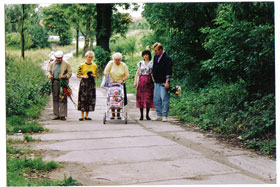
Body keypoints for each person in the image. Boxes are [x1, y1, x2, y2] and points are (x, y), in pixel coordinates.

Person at [47, 51, 72, 121]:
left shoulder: (66, 64)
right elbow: (48, 71)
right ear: (55, 58)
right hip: (55, 81)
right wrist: (49, 75)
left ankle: (62, 114)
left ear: (62, 57)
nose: (59, 60)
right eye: (58, 58)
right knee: (55, 97)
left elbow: (70, 73)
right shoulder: (52, 64)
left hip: (63, 83)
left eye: (60, 58)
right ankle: (56, 114)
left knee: (63, 98)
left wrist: (64, 76)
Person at [104, 52, 129, 119]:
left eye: (118, 59)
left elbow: (127, 75)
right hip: (112, 84)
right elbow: (106, 72)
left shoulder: (123, 65)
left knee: (120, 97)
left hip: (120, 84)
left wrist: (122, 80)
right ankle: (112, 113)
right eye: (116, 59)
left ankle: (118, 113)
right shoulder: (111, 63)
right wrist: (109, 79)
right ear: (114, 59)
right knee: (112, 97)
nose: (117, 61)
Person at [151, 42, 173, 122]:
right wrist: (152, 76)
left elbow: (169, 71)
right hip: (156, 81)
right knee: (156, 99)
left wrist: (167, 81)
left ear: (161, 50)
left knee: (165, 98)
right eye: (155, 51)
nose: (155, 52)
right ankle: (159, 114)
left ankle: (165, 115)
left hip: (164, 81)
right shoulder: (156, 57)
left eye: (156, 50)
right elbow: (154, 67)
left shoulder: (167, 58)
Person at [76, 51, 98, 121]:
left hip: (91, 83)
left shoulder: (94, 66)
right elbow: (78, 75)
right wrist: (83, 76)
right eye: (89, 57)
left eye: (91, 57)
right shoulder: (82, 65)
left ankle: (87, 115)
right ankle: (82, 115)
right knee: (83, 98)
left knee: (90, 98)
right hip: (84, 83)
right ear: (86, 57)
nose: (90, 58)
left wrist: (93, 75)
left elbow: (97, 75)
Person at [134, 50, 154, 120]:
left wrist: (153, 80)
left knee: (148, 98)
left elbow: (152, 73)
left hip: (149, 81)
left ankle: (147, 115)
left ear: (149, 55)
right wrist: (135, 81)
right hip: (141, 80)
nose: (145, 56)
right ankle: (141, 115)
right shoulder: (140, 63)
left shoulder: (151, 63)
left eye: (147, 54)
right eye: (144, 55)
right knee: (141, 98)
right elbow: (137, 72)